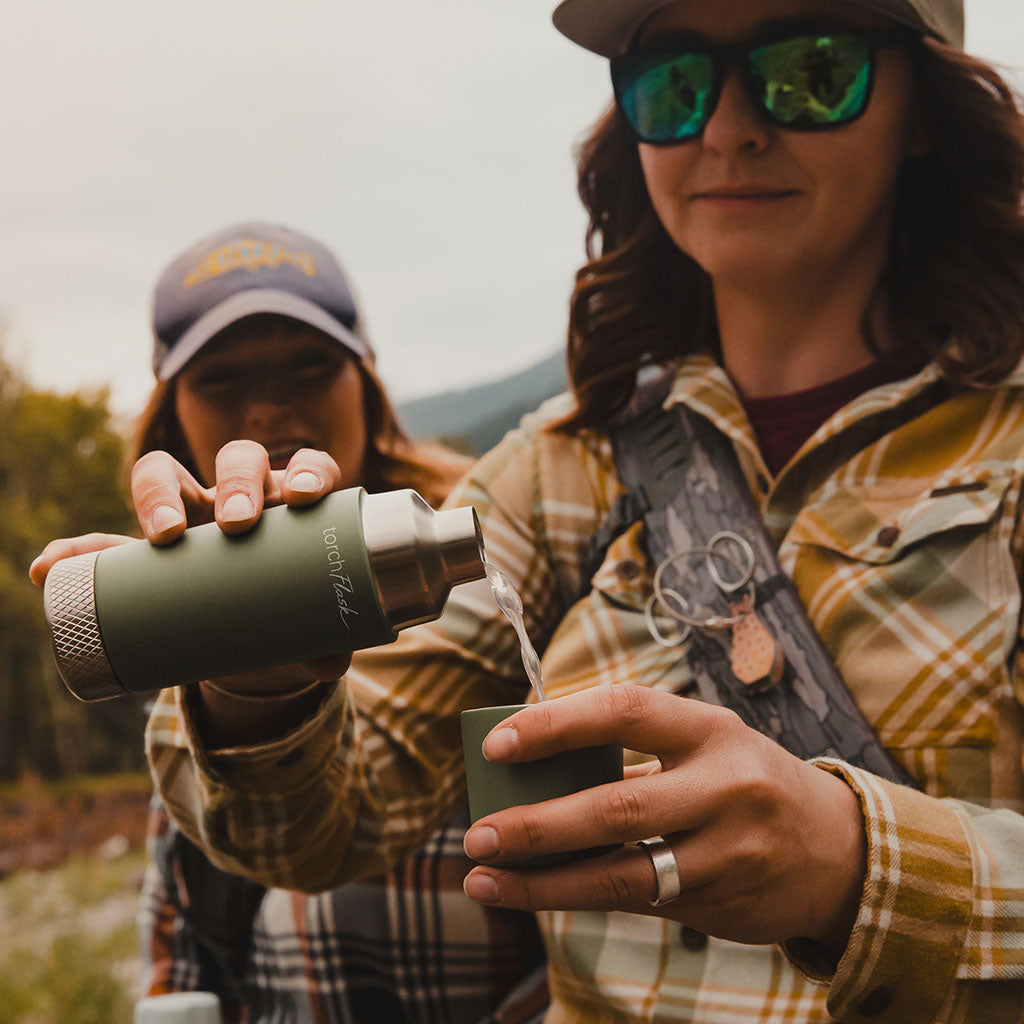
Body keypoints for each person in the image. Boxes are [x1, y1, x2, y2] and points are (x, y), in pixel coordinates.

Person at [32, 2, 1024, 1021]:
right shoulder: (557, 473)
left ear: (927, 107)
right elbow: (317, 832)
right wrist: (260, 685)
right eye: (672, 83)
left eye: (810, 69)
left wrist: (859, 863)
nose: (728, 128)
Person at [97, 222, 546, 1023]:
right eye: (222, 378)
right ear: (171, 421)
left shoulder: (496, 561)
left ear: (367, 388)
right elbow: (180, 951)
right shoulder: (179, 617)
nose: (268, 406)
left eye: (312, 365)